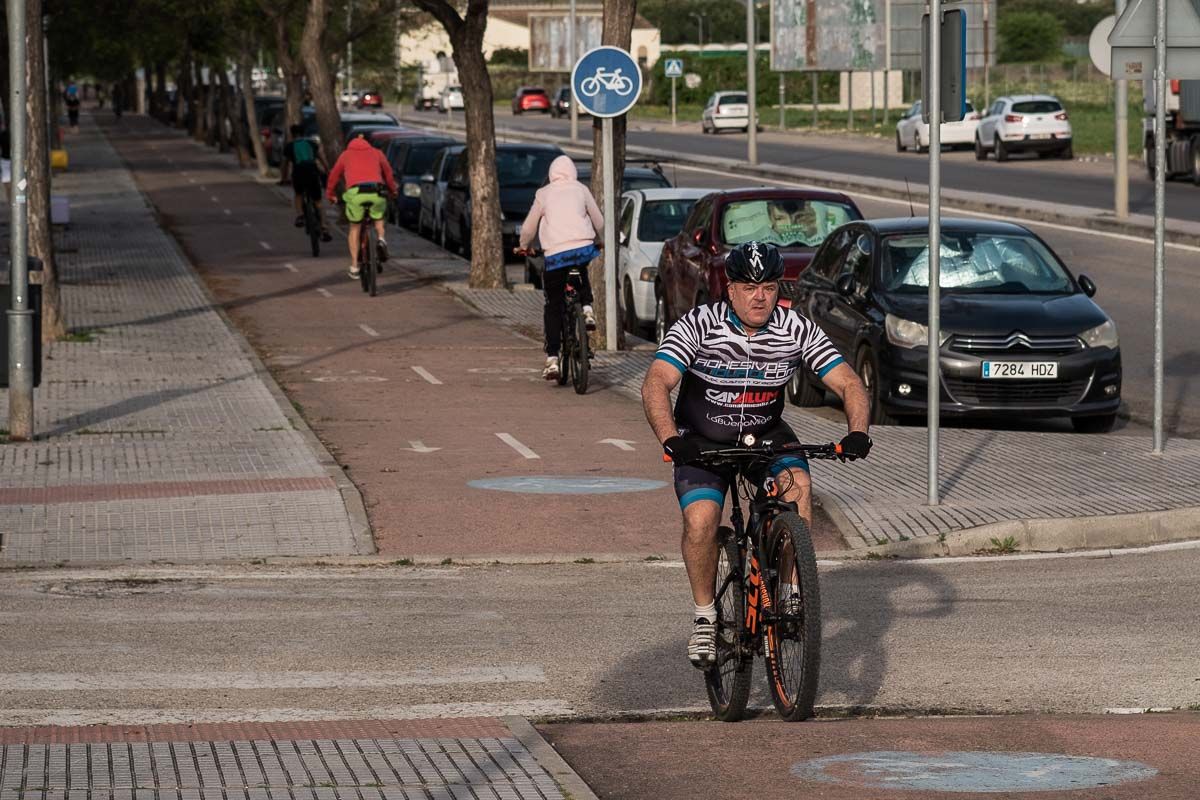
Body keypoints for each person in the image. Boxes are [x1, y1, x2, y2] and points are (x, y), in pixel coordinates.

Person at [640, 241, 873, 669]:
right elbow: (656, 382)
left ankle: (792, 596)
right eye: (749, 287)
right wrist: (670, 439)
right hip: (701, 439)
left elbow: (848, 383)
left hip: (765, 435)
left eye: (767, 286)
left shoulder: (795, 327)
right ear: (730, 290)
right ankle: (706, 618)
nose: (759, 297)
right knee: (702, 520)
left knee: (799, 486)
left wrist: (857, 431)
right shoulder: (699, 324)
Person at [517, 155, 601, 380]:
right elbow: (599, 219)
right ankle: (587, 309)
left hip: (555, 255)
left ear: (552, 174)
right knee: (579, 271)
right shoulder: (581, 189)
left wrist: (524, 246)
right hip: (582, 249)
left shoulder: (543, 194)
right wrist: (601, 238)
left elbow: (528, 227)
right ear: (572, 172)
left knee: (553, 305)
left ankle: (552, 359)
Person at [325, 132, 397, 278]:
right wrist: (393, 191)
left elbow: (334, 175)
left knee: (355, 227)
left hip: (356, 193)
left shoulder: (345, 155)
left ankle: (354, 266)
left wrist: (330, 194)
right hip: (376, 191)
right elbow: (388, 173)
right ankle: (381, 239)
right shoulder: (377, 153)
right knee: (378, 219)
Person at [283, 125, 332, 243]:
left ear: (292, 134)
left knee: (299, 194)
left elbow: (285, 164)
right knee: (318, 202)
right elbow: (321, 158)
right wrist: (327, 170)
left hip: (299, 172)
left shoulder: (289, 146)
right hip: (312, 171)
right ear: (304, 132)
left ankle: (300, 216)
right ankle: (324, 227)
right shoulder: (312, 143)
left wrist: (283, 177)